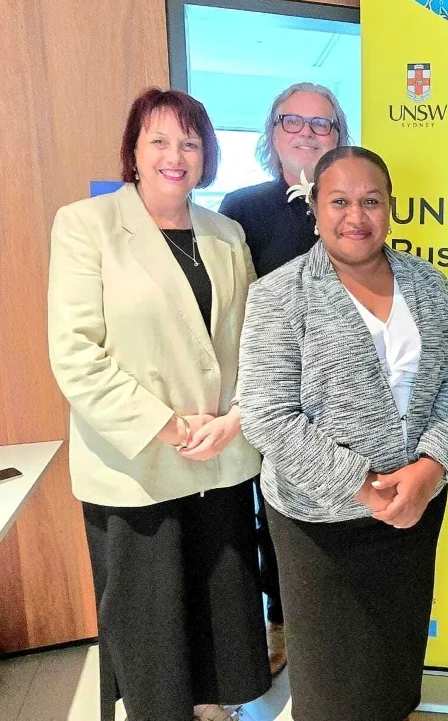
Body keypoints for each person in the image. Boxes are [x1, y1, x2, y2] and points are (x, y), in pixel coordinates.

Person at [47, 88, 270, 721]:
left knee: (217, 589)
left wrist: (235, 419)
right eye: (160, 141)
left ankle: (208, 703)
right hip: (136, 459)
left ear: (207, 155)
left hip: (219, 454)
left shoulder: (226, 233)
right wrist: (167, 426)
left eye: (191, 142)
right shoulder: (85, 226)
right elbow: (75, 353)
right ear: (134, 153)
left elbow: (251, 342)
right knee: (147, 603)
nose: (177, 155)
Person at [238, 146, 448, 721]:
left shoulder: (426, 283)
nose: (357, 216)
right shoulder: (280, 293)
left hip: (412, 513)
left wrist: (431, 467)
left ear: (390, 207)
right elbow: (267, 413)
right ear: (314, 208)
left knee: (393, 669)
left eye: (371, 201)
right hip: (318, 524)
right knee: (332, 687)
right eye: (339, 201)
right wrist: (360, 485)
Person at [219, 82, 350, 673]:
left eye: (321, 124)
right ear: (271, 133)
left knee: (344, 505)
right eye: (292, 120)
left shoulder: (351, 199)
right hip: (270, 395)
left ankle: (335, 625)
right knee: (274, 516)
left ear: (339, 136)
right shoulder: (242, 209)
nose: (306, 132)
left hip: (342, 390)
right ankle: (281, 626)